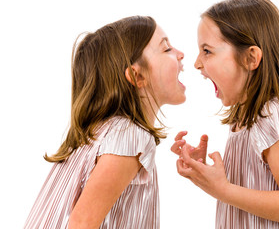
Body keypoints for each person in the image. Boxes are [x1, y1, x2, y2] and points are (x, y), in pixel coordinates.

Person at [171, 0, 279, 228]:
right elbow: (256, 190)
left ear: (251, 58)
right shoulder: (245, 118)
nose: (197, 63)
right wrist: (208, 176)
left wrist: (224, 190)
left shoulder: (276, 113)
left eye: (207, 51)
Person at [24, 15, 186, 229]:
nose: (181, 54)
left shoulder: (104, 132)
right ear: (137, 77)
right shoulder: (131, 136)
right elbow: (82, 222)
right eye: (167, 49)